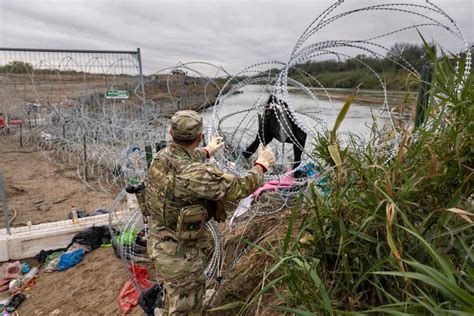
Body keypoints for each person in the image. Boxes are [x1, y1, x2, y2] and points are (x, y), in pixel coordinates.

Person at [139, 110, 275, 315]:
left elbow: (183, 159)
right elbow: (240, 187)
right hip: (180, 255)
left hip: (159, 240)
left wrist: (207, 151)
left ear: (170, 133)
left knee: (175, 294)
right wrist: (261, 165)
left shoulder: (161, 157)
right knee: (186, 307)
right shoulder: (198, 174)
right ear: (199, 136)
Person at [242, 94, 307, 169]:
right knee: (257, 144)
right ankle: (247, 162)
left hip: (280, 130)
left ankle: (247, 162)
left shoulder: (277, 113)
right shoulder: (272, 115)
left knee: (257, 144)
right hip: (278, 130)